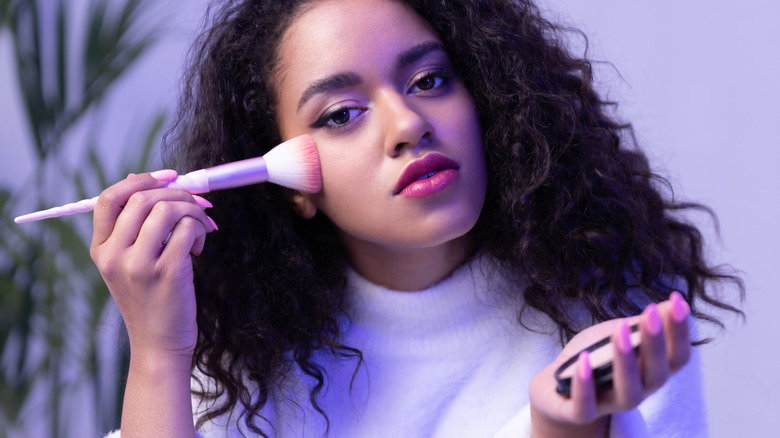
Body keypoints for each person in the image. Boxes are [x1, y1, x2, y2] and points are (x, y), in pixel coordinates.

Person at [95, 0, 743, 436]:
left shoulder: (615, 311)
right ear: (293, 185)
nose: (408, 125)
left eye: (429, 81)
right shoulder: (245, 360)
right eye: (342, 114)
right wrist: (158, 353)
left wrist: (565, 425)